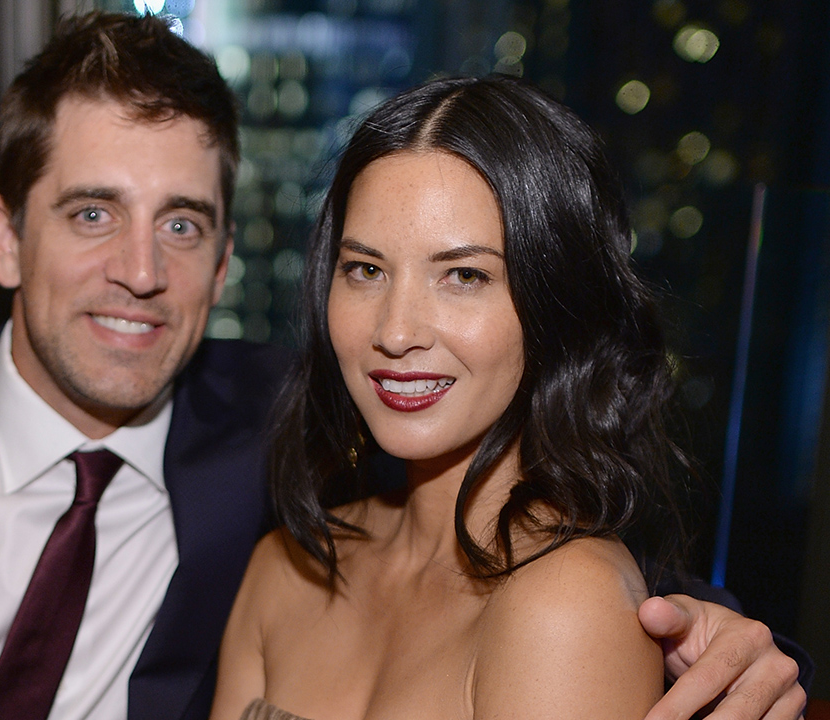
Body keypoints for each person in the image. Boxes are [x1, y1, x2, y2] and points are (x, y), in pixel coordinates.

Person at [0, 13, 805, 720]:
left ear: (228, 256)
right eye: (92, 213)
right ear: (4, 236)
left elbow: (569, 564)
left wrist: (721, 637)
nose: (139, 271)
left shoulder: (277, 422)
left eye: (183, 224)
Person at [209, 75, 808, 720]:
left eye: (464, 275)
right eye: (366, 270)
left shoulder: (564, 603)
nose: (395, 331)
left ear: (556, 304)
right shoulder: (287, 567)